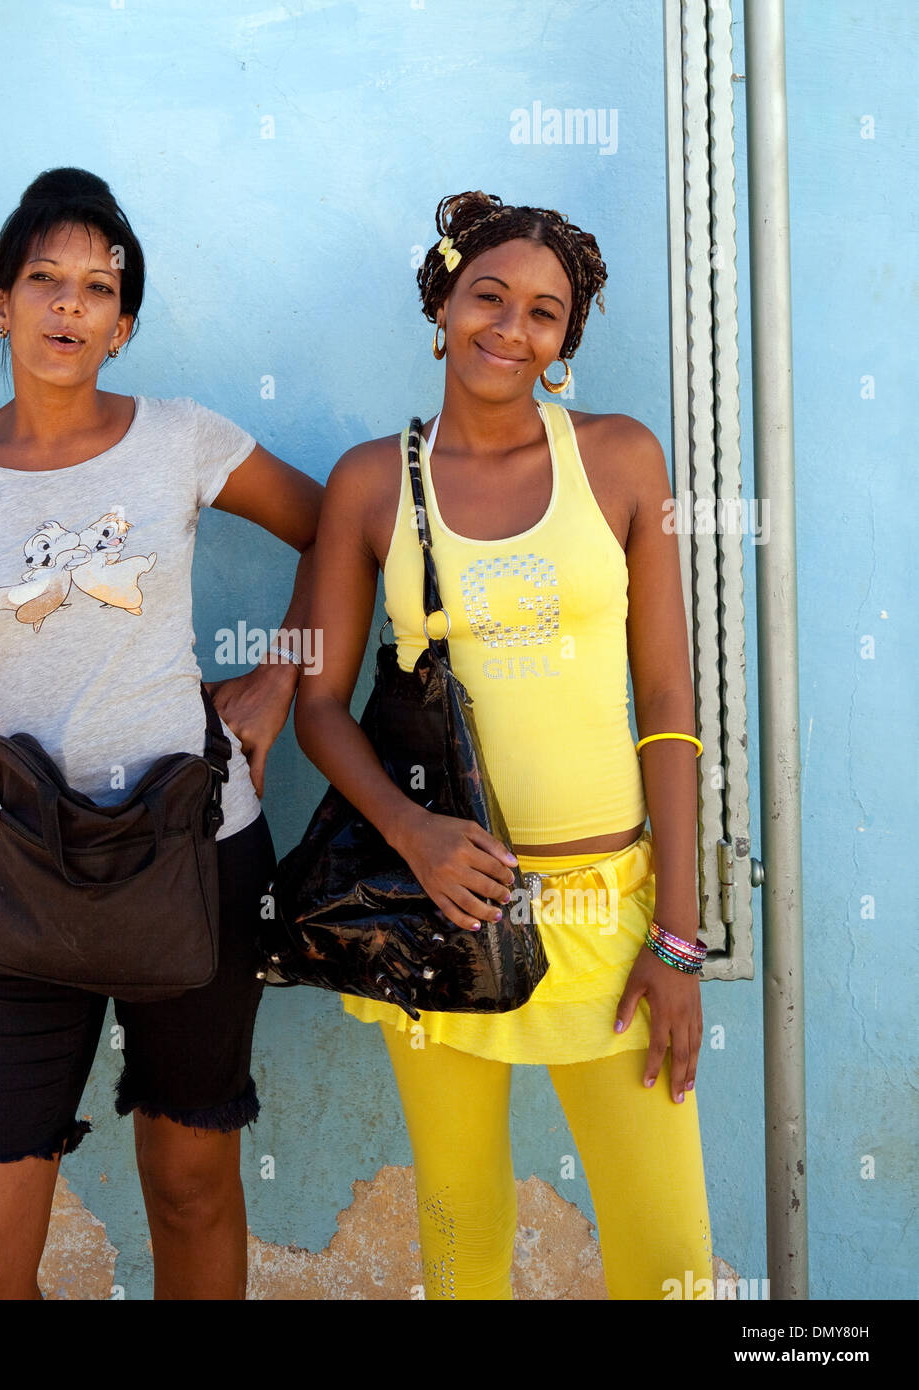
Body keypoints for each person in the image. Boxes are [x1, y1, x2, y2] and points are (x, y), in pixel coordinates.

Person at [0, 167, 321, 1300]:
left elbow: (342, 523)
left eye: (96, 287)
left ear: (124, 322)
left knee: (190, 1183)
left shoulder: (183, 441)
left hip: (194, 859)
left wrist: (279, 681)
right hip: (13, 880)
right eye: (42, 280)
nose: (68, 306)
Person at [293, 191, 713, 1300]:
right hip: (443, 912)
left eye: (543, 313)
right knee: (464, 1237)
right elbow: (319, 705)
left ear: (563, 343)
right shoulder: (372, 482)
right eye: (488, 295)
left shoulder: (621, 461)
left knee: (666, 1254)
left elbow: (667, 700)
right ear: (442, 301)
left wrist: (676, 939)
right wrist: (414, 833)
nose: (509, 328)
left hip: (608, 910)